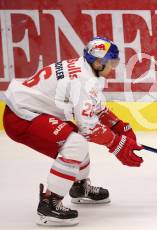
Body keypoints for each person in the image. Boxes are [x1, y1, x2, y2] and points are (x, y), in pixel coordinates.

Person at [3, 37, 144, 226]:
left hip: (28, 110)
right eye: (111, 62)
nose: (113, 67)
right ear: (97, 62)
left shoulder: (83, 68)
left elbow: (94, 106)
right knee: (76, 143)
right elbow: (89, 128)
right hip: (22, 116)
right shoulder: (84, 79)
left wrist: (118, 126)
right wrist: (117, 144)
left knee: (75, 140)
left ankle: (79, 187)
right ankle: (49, 203)